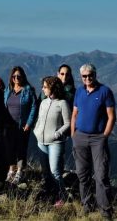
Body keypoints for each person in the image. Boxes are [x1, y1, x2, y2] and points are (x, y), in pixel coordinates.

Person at [71, 64, 116, 220]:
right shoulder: (79, 91)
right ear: (81, 77)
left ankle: (105, 212)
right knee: (82, 175)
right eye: (84, 76)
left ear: (95, 75)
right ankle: (87, 206)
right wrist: (73, 134)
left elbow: (111, 116)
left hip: (98, 139)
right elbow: (74, 114)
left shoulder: (105, 91)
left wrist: (104, 136)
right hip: (80, 137)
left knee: (101, 175)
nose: (88, 78)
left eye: (90, 75)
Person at [34, 76, 71, 206]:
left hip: (55, 142)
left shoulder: (62, 103)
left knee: (55, 171)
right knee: (46, 172)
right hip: (41, 142)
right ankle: (51, 194)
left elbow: (68, 123)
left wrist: (58, 133)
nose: (43, 89)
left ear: (52, 88)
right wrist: (36, 131)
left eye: (45, 87)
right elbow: (39, 119)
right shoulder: (43, 102)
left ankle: (62, 196)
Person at [4, 66, 37, 184]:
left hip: (22, 126)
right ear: (11, 78)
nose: (16, 78)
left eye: (18, 76)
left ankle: (20, 172)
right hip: (9, 126)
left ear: (23, 77)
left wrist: (29, 123)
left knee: (21, 149)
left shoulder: (28, 90)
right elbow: (4, 105)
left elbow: (34, 107)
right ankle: (11, 170)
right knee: (10, 149)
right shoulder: (8, 90)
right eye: (14, 76)